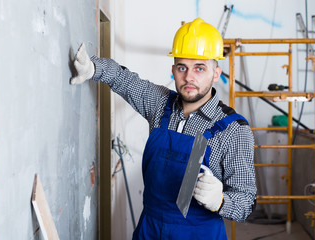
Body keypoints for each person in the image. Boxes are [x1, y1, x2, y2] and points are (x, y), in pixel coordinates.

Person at [71, 18, 256, 240]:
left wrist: (221, 201)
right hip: (150, 228)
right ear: (173, 70)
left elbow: (246, 201)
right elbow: (124, 79)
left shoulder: (233, 130)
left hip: (198, 234)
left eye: (199, 68)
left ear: (216, 73)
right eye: (182, 67)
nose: (189, 77)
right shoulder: (161, 104)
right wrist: (94, 68)